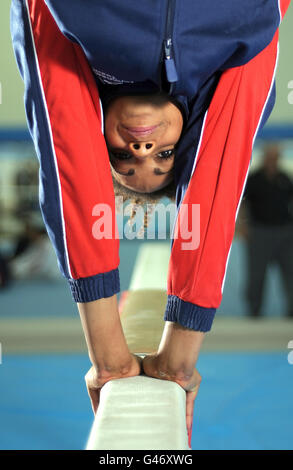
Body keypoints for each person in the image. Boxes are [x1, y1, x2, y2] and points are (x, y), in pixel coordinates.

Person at [10, 0, 290, 441]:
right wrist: (178, 357)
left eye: (120, 157)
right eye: (165, 156)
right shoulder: (247, 33)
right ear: (190, 142)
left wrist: (110, 360)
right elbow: (216, 179)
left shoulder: (67, 29)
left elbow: (70, 163)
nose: (141, 150)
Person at [240, 142, 293, 318]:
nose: (272, 161)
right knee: (256, 275)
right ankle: (254, 311)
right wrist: (243, 225)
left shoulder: (285, 178)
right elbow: (242, 204)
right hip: (259, 232)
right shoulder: (254, 179)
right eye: (269, 157)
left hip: (285, 233)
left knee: (290, 273)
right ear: (264, 158)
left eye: (275, 157)